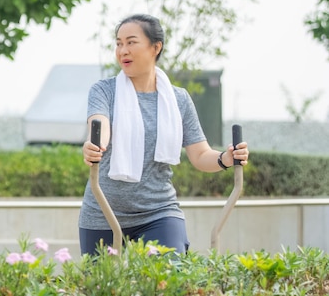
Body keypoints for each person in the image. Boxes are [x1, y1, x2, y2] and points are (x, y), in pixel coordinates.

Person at [79, 13, 249, 255]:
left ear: (155, 47)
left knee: (166, 281)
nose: (122, 50)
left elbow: (200, 155)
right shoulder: (104, 91)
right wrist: (96, 144)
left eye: (131, 42)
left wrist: (226, 158)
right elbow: (99, 123)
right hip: (103, 212)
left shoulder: (178, 99)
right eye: (118, 43)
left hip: (159, 212)